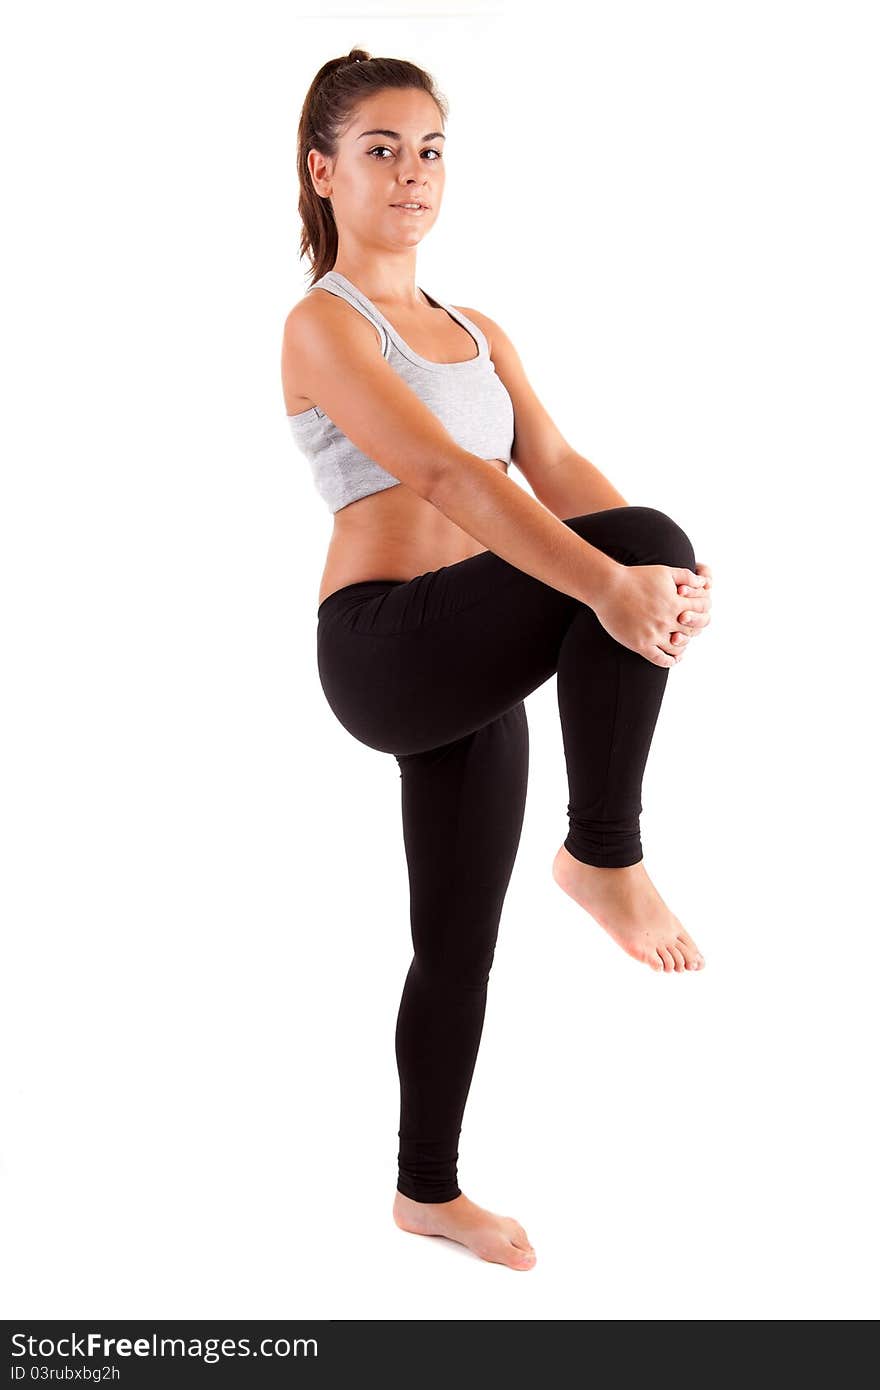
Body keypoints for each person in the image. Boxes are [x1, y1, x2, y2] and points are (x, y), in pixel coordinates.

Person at [281, 49, 713, 1273]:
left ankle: (426, 1191)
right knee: (626, 552)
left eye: (429, 149)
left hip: (468, 649)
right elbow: (450, 477)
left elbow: (560, 474)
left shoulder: (477, 329)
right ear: (324, 173)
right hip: (380, 645)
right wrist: (618, 573)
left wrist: (659, 591)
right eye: (380, 149)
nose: (411, 173)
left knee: (456, 939)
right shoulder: (323, 321)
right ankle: (603, 851)